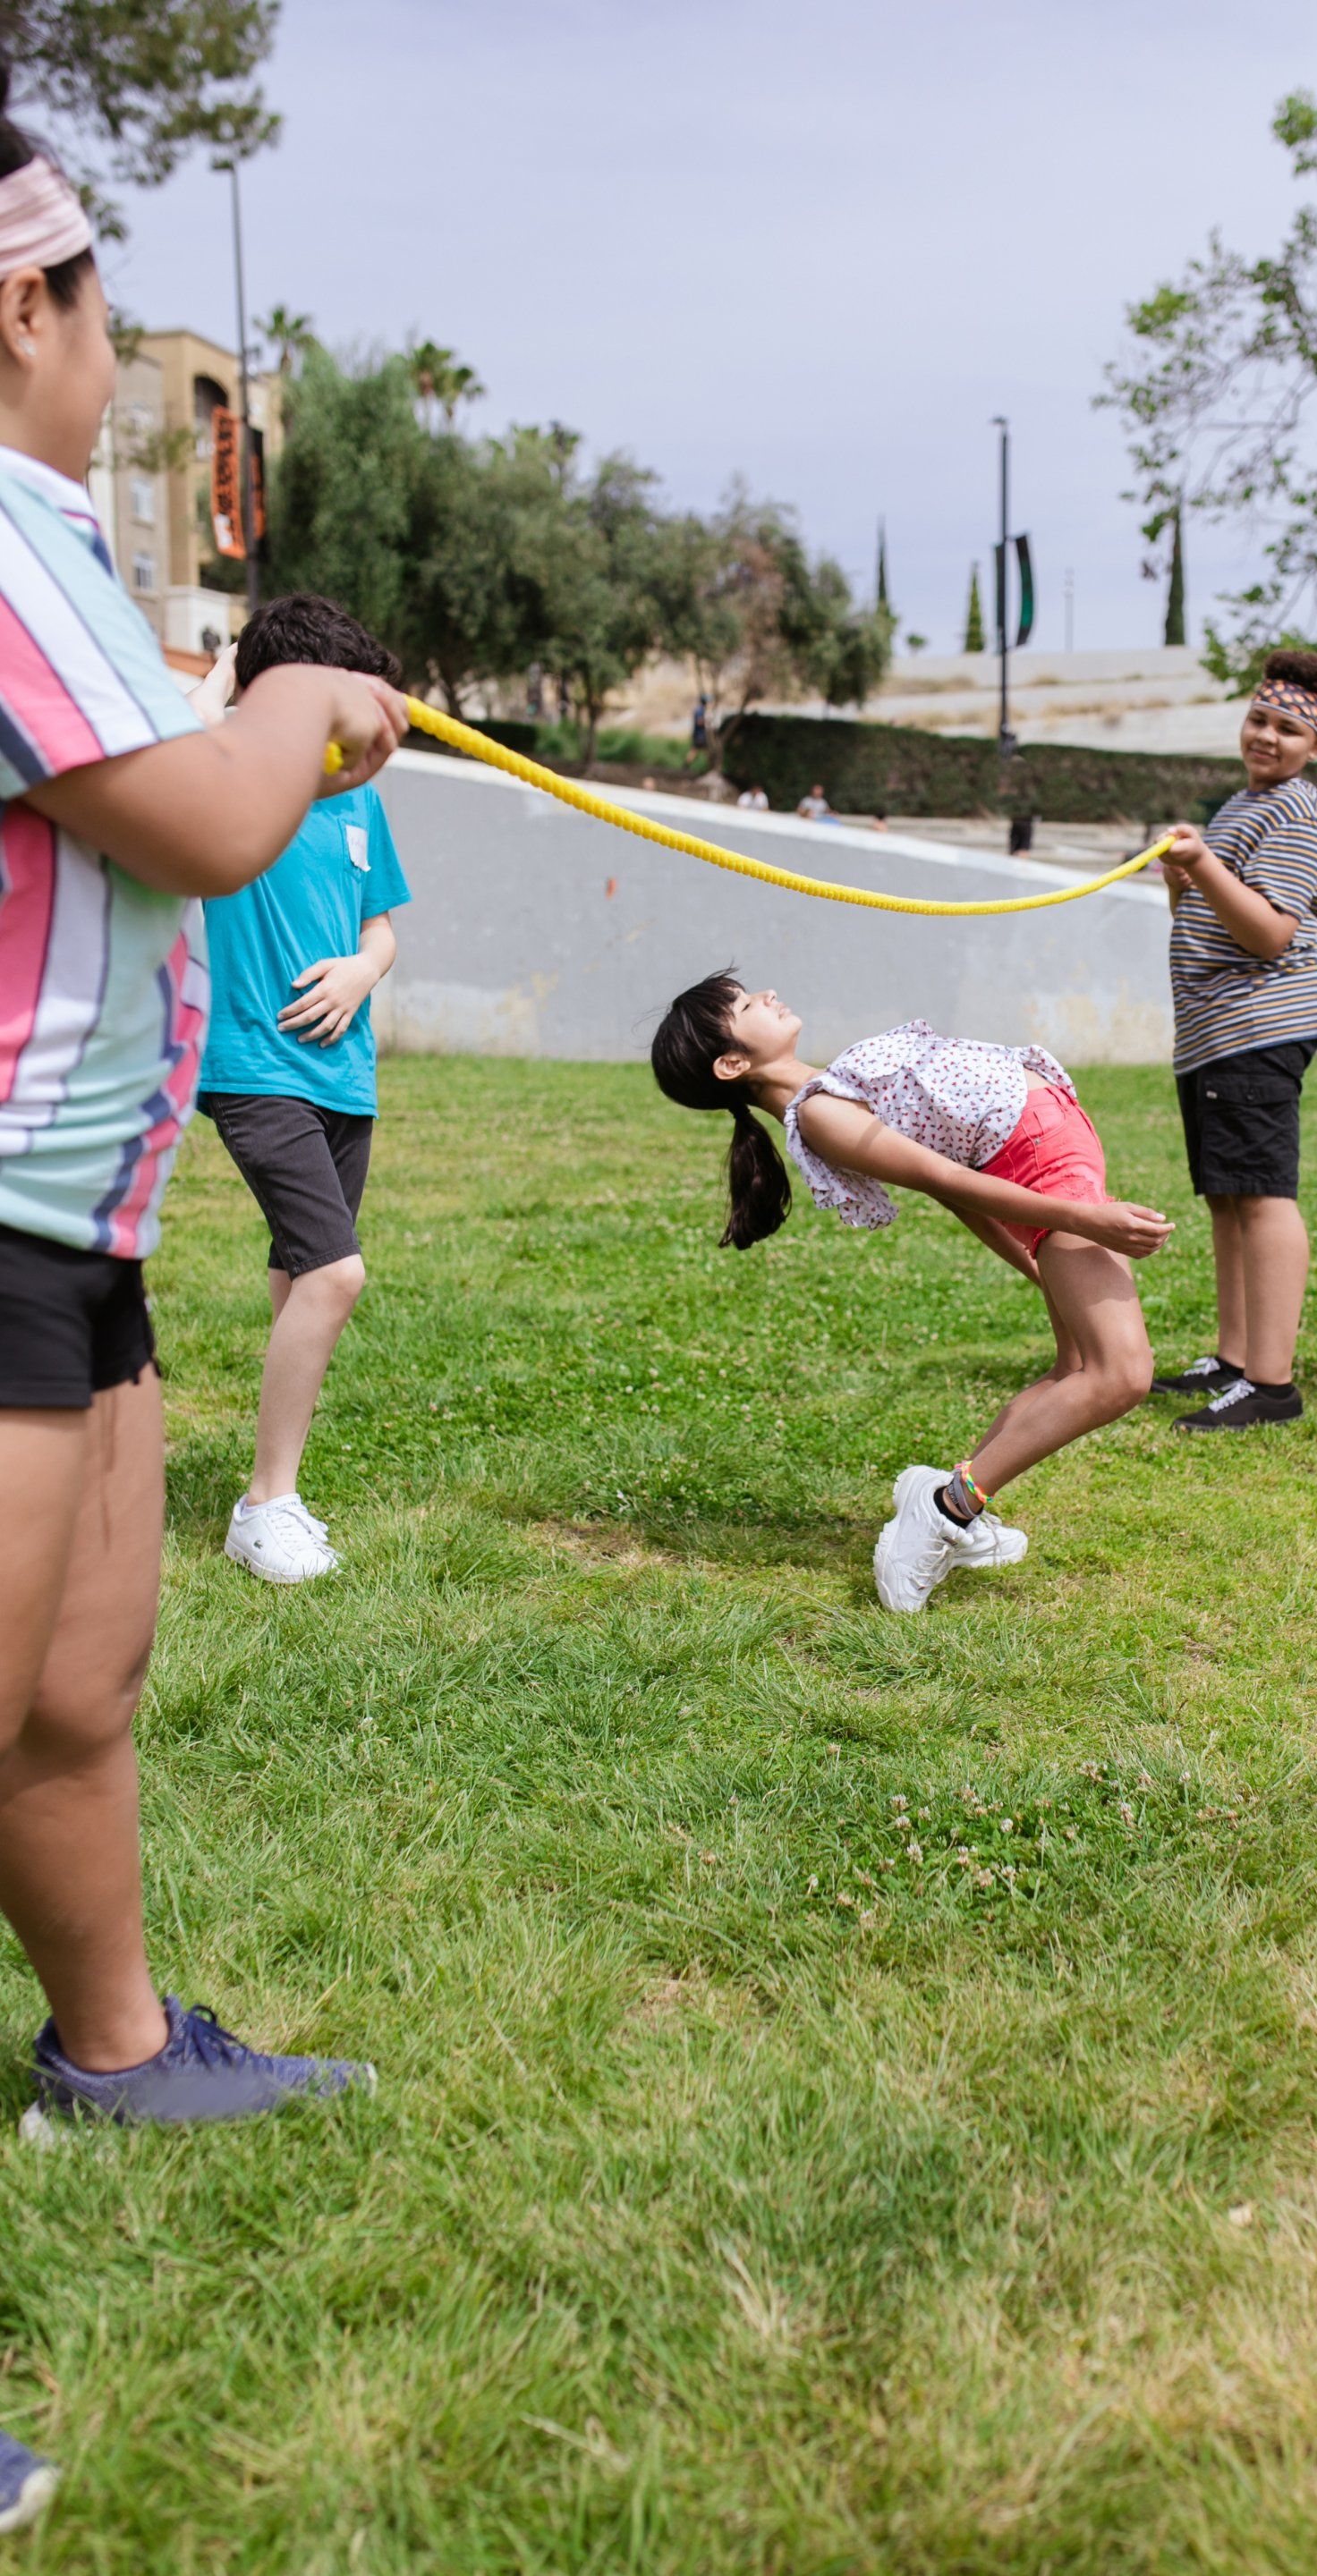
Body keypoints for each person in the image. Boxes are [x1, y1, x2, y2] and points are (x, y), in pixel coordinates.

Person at [0, 85, 405, 2221]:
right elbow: (192, 810)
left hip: (71, 1222)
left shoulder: (40, 540)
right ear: (17, 312)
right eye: (96, 309)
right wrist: (309, 711)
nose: (101, 348)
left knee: (77, 1680)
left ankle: (120, 2051)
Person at [650, 976, 1172, 1613]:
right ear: (732, 1063)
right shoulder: (819, 1113)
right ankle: (948, 1507)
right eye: (744, 1004)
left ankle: (948, 1497)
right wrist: (1079, 1219)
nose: (767, 993)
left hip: (1050, 1166)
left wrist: (1036, 1262)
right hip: (1047, 1173)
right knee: (1120, 1377)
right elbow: (946, 1177)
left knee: (1079, 1370)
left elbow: (953, 1187)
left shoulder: (832, 1087)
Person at [191, 595, 412, 1583]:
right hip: (253, 1066)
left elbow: (382, 927)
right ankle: (264, 1506)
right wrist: (234, 674)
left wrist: (367, 970)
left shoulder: (360, 798)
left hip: (345, 1071)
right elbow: (178, 741)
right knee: (335, 1275)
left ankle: (281, 1489)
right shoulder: (231, 769)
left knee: (296, 1275)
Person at [1151, 647, 1317, 1431]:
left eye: (1288, 728)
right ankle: (1233, 1361)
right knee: (1228, 1196)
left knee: (1263, 1195)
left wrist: (1203, 865)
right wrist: (1183, 880)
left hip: (1258, 1027)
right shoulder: (1244, 804)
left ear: (1316, 747)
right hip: (1214, 1033)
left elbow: (1268, 934)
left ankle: (1271, 1384)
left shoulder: (1296, 810)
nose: (1267, 736)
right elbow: (1205, 922)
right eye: (1259, 718)